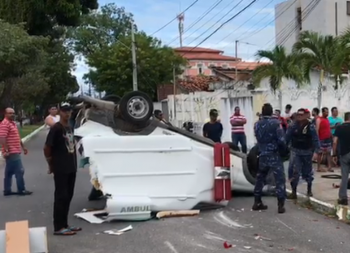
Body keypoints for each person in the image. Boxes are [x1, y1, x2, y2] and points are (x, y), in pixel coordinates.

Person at [43, 102, 81, 236]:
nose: (67, 113)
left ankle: (65, 224)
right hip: (61, 168)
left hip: (71, 167)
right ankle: (58, 227)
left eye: (69, 111)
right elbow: (47, 147)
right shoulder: (56, 128)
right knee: (61, 196)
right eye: (65, 111)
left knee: (68, 196)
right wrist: (50, 164)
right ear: (60, 112)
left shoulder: (70, 127)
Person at [253, 103, 287, 214]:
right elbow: (281, 140)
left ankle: (257, 201)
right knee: (279, 179)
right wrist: (284, 150)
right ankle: (280, 205)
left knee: (260, 178)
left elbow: (257, 138)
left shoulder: (257, 124)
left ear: (262, 112)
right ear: (271, 111)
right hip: (274, 155)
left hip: (262, 154)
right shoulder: (276, 123)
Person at [285, 108, 320, 199]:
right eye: (298, 115)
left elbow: (315, 139)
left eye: (301, 115)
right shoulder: (293, 126)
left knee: (307, 172)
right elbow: (287, 138)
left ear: (305, 115)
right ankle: (294, 192)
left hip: (307, 152)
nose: (299, 117)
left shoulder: (310, 126)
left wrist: (316, 152)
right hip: (295, 151)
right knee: (294, 171)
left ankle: (309, 189)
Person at [0, 108, 32, 196]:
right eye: (10, 113)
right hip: (11, 151)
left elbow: (17, 137)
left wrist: (23, 147)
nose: (12, 115)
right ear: (5, 114)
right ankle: (21, 189)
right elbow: (2, 138)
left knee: (9, 171)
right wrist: (6, 150)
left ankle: (7, 190)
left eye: (13, 113)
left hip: (15, 150)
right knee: (20, 170)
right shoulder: (5, 124)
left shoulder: (13, 123)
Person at [332, 112, 350, 205]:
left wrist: (334, 154)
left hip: (344, 155)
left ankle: (343, 198)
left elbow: (335, 142)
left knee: (344, 176)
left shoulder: (339, 127)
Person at [315, 107, 333, 172]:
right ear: (322, 112)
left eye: (328, 112)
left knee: (329, 153)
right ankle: (318, 167)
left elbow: (328, 128)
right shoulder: (319, 119)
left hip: (328, 138)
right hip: (321, 139)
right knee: (320, 153)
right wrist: (317, 139)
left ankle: (329, 167)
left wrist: (331, 135)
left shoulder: (327, 119)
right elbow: (317, 129)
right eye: (326, 112)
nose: (327, 113)